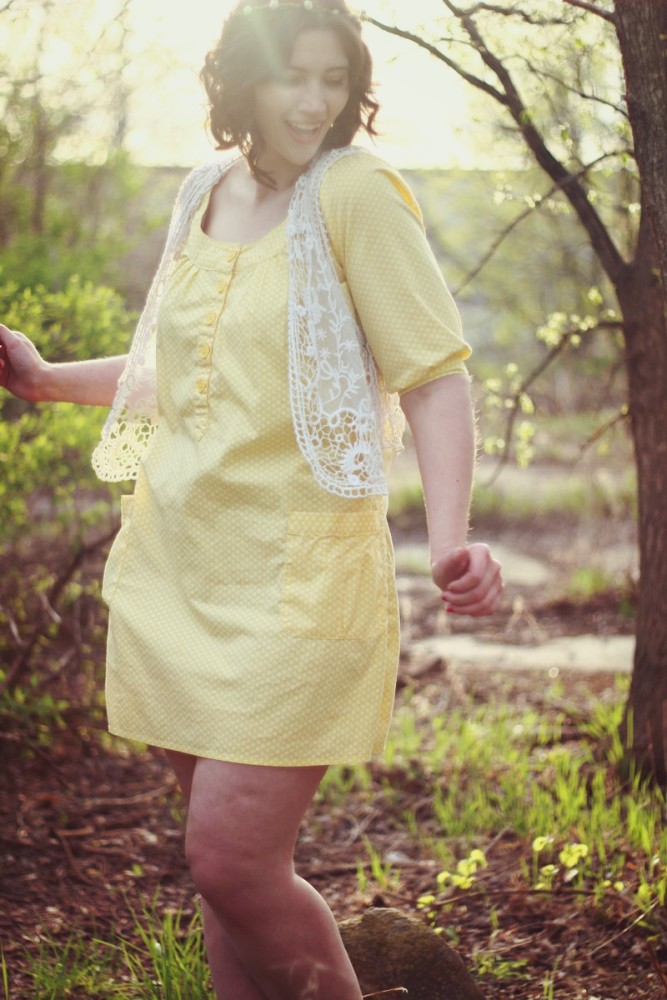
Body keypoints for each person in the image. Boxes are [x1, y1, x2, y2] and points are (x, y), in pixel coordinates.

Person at [0, 1, 503, 997]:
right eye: (290, 77)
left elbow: (433, 376)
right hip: (177, 566)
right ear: (241, 80)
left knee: (232, 861)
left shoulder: (354, 192)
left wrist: (452, 539)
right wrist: (48, 379)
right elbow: (179, 374)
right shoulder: (202, 189)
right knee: (224, 880)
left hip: (295, 581)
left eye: (333, 79)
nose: (314, 102)